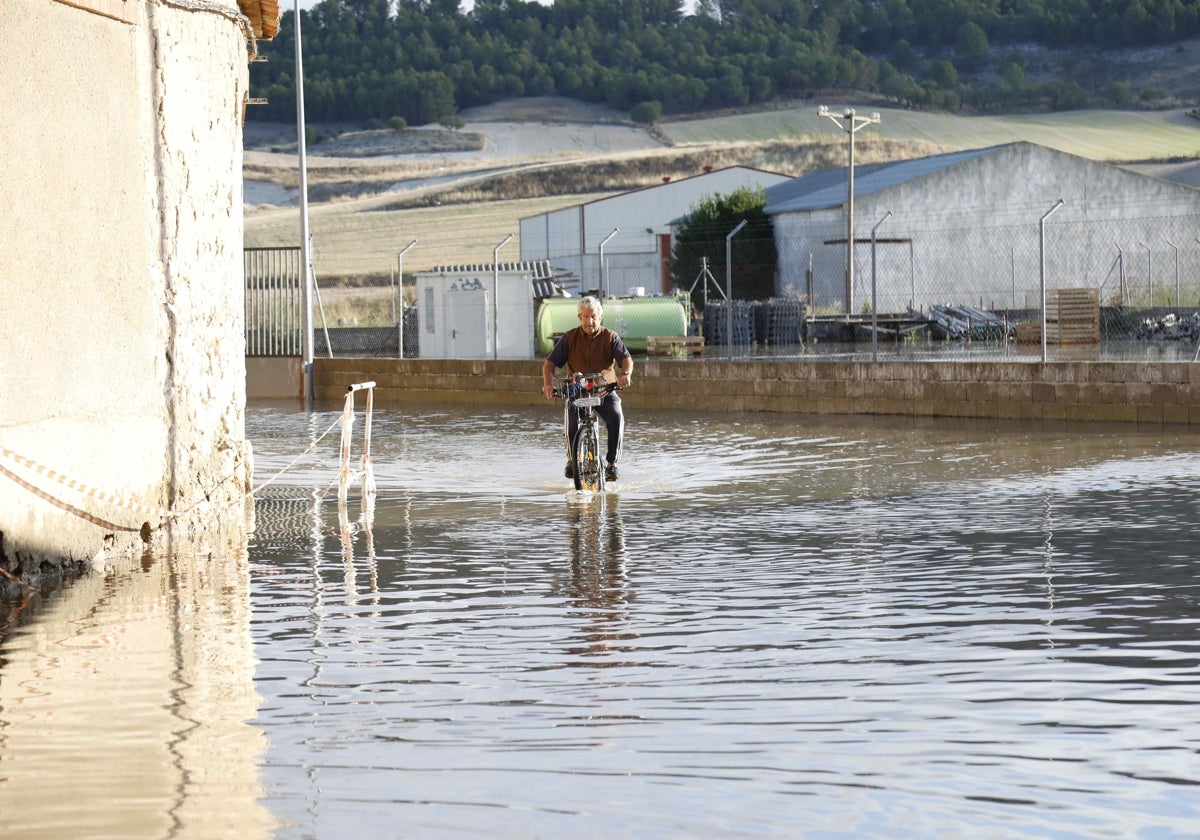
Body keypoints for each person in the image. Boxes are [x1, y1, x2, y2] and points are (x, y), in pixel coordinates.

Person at [541, 296, 633, 481]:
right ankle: (571, 459)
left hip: (604, 390)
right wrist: (548, 384)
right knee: (571, 425)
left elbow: (626, 359)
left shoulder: (610, 337)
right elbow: (549, 364)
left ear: (600, 317)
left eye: (593, 317)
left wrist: (626, 374)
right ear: (579, 317)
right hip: (578, 390)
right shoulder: (569, 338)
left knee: (616, 418)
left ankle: (611, 464)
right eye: (585, 317)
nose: (589, 321)